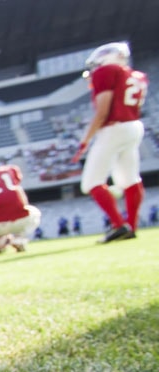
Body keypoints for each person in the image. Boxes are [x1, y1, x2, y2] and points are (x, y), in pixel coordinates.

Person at [72, 42, 149, 243]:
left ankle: (118, 224)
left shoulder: (105, 72)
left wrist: (85, 140)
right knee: (130, 179)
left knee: (91, 182)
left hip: (113, 128)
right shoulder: (138, 76)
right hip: (134, 126)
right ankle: (130, 226)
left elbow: (102, 111)